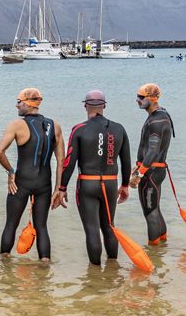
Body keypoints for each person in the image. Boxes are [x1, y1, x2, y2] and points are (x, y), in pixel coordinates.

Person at [52, 90, 132, 266]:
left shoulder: (79, 129)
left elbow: (69, 161)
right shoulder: (119, 129)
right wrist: (125, 185)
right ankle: (113, 268)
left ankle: (94, 273)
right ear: (104, 105)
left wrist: (61, 188)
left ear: (85, 106)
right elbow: (126, 160)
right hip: (111, 183)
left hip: (87, 184)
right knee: (109, 226)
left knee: (92, 229)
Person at [0, 88, 64, 261]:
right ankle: (45, 268)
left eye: (18, 102)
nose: (16, 106)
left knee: (11, 224)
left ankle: (4, 267)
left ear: (27, 103)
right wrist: (58, 188)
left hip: (21, 183)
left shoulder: (17, 125)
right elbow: (62, 161)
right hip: (44, 185)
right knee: (41, 226)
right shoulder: (54, 125)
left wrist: (11, 172)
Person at [130, 83, 175, 245]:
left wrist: (138, 174)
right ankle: (162, 246)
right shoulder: (162, 115)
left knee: (150, 212)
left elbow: (153, 151)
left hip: (150, 172)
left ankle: (154, 252)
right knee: (155, 209)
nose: (137, 100)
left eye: (140, 97)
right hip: (156, 170)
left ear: (151, 98)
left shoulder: (156, 121)